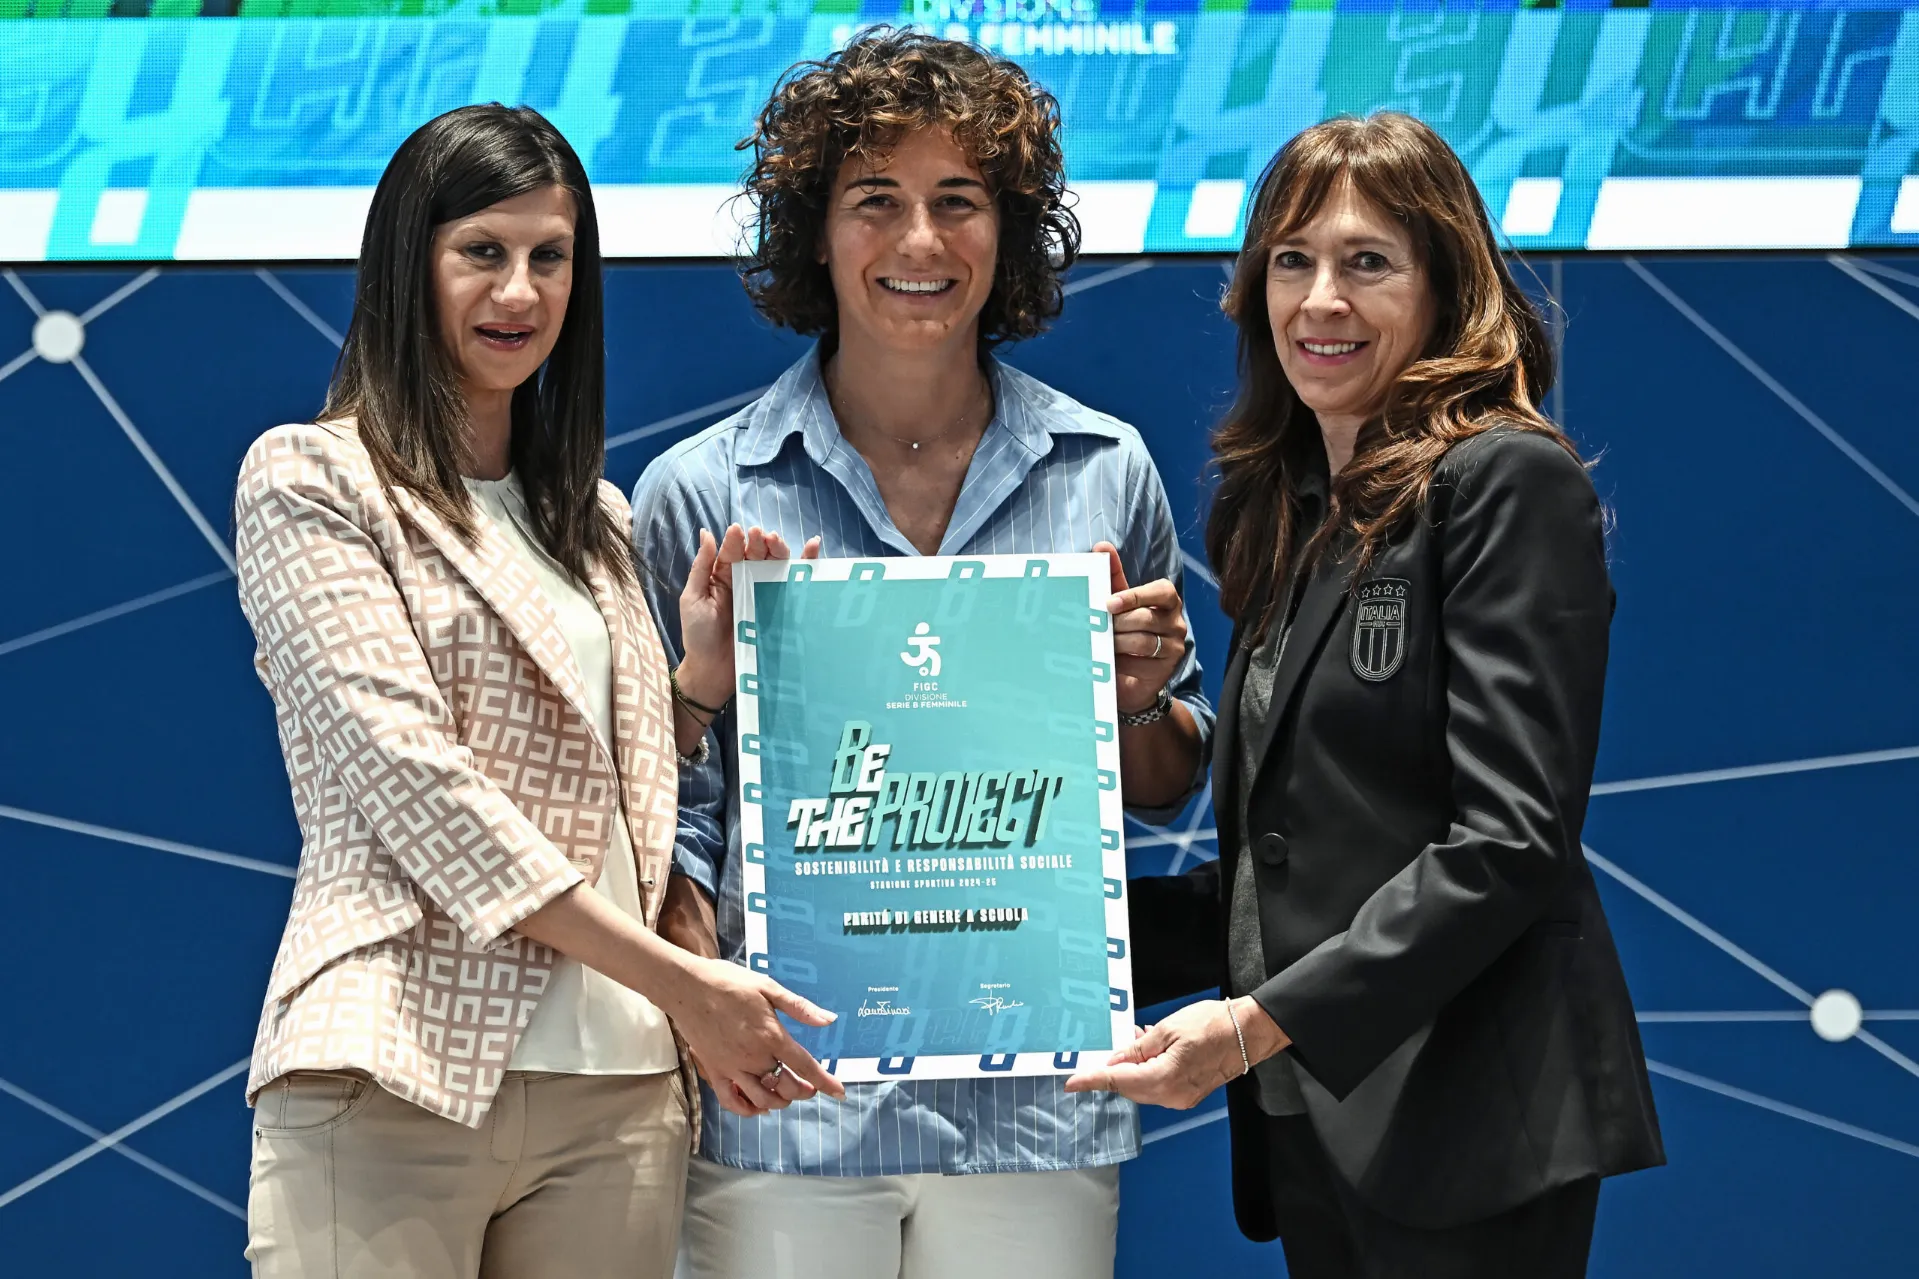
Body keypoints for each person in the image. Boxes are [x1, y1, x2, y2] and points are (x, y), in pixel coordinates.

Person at [629, 28, 1211, 1279]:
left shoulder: (1104, 470)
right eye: (874, 201)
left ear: (1009, 232)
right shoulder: (699, 491)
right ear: (812, 232)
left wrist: (1134, 699)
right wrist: (694, 995)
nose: (919, 241)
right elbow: (660, 805)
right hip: (785, 1104)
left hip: (1037, 1105)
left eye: (958, 201)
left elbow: (1168, 781)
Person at [232, 103, 842, 1279]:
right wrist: (681, 983)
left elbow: (602, 795)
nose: (519, 291)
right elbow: (419, 787)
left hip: (615, 1090)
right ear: (407, 262)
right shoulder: (309, 478)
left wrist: (696, 684)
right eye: (482, 251)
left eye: (549, 257)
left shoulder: (596, 517)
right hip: (399, 1062)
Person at [1068, 112, 1665, 1277]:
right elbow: (1290, 865)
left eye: (1367, 262)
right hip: (1319, 1118)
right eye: (1290, 260)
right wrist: (1009, 928)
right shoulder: (1294, 512)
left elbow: (1506, 842)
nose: (1319, 300)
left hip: (1467, 1117)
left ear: (1445, 286)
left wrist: (1251, 1026)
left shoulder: (1504, 479)